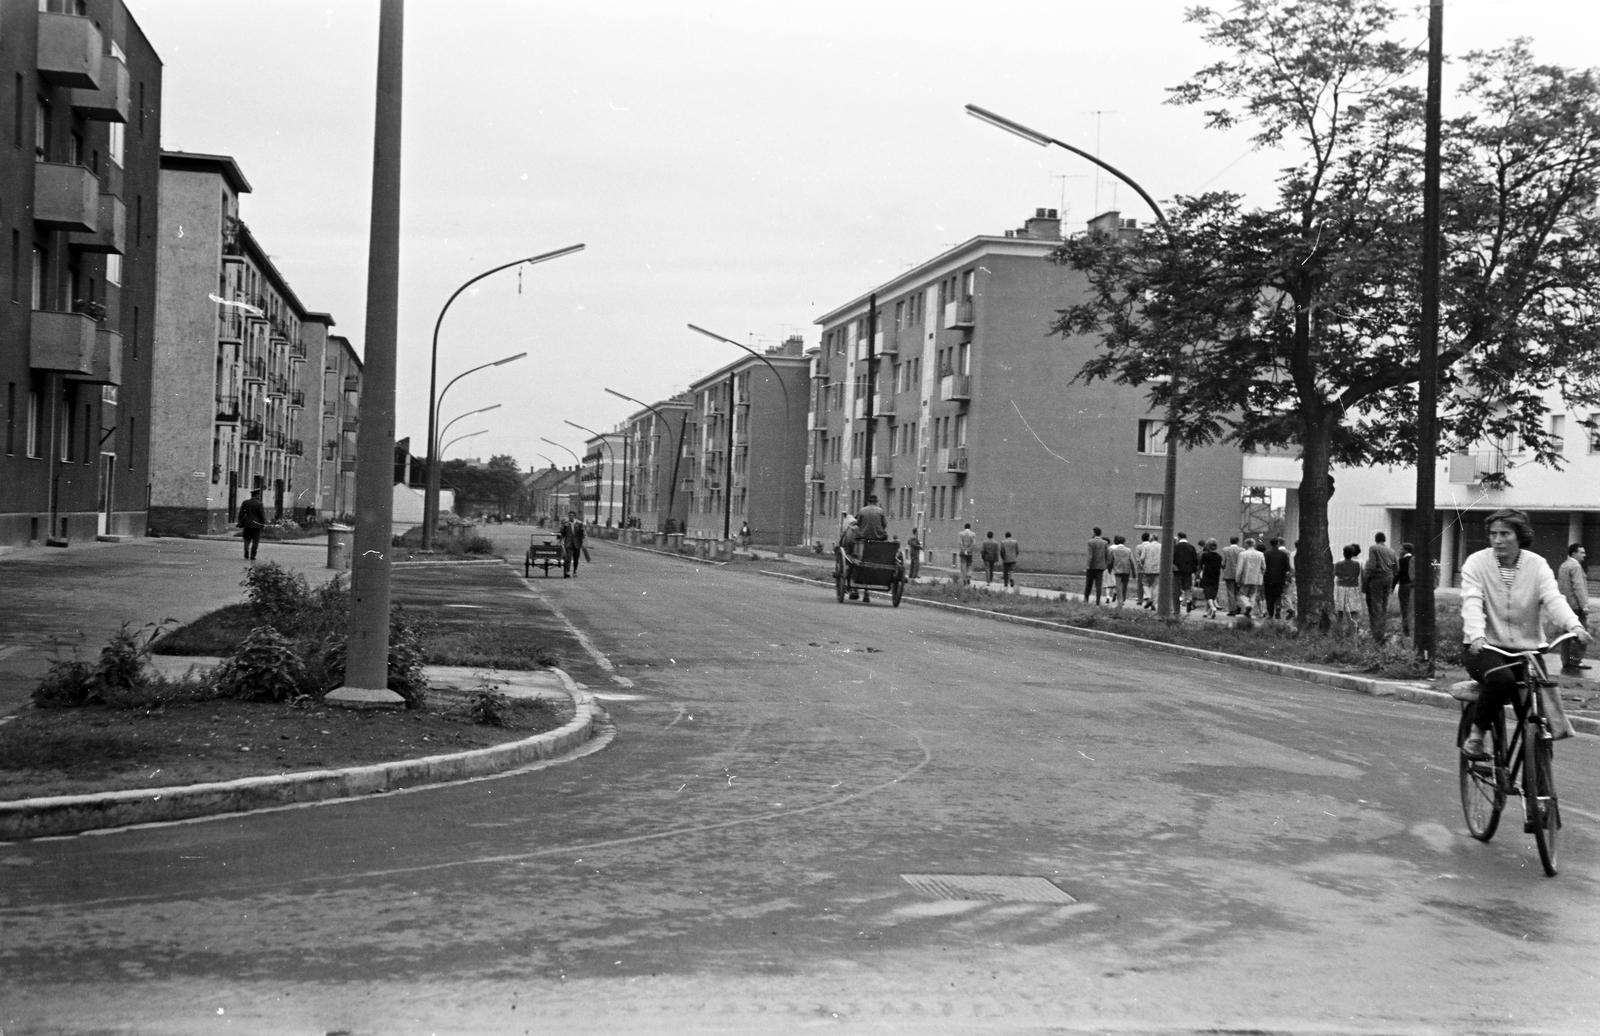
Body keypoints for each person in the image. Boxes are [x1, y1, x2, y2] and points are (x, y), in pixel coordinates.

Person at [1460, 509, 1592, 759]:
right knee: (1502, 681)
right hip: (1485, 648)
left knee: (1539, 702)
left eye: (1505, 534)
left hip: (1527, 649)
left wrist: (1574, 626)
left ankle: (1539, 764)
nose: (1497, 540)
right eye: (1493, 534)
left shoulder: (1537, 564)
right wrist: (1476, 634)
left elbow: (1553, 599)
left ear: (1520, 536)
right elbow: (1472, 602)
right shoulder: (1477, 563)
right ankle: (1477, 735)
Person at [1360, 531, 1399, 643]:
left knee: (1376, 604)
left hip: (1377, 578)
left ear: (1376, 539)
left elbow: (1372, 565)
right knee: (1384, 604)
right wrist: (1391, 574)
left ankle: (1376, 633)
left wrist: (1367, 578)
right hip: (1389, 578)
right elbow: (1396, 567)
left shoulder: (1374, 548)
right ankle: (1382, 629)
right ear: (1384, 539)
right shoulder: (1392, 551)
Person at [1557, 543, 1590, 675]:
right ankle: (1576, 661)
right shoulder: (1576, 566)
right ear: (1574, 553)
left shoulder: (1564, 565)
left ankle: (1566, 661)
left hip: (1566, 606)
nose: (1584, 555)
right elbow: (1578, 587)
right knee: (1581, 634)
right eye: (1581, 552)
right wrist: (1584, 605)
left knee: (1566, 635)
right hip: (1576, 606)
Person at [1333, 544, 1362, 630]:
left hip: (1341, 588)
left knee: (1340, 610)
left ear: (1344, 553)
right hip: (1352, 588)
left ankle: (1338, 628)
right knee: (1353, 610)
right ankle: (1355, 627)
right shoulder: (1356, 564)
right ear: (1352, 554)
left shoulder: (1338, 564)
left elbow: (1336, 574)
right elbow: (1357, 574)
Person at [1236, 537, 1266, 619]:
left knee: (1242, 594)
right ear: (1254, 544)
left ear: (1246, 544)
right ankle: (1249, 611)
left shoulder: (1242, 554)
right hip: (1256, 578)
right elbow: (1264, 567)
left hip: (1245, 578)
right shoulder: (1260, 554)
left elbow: (1239, 568)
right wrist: (1261, 575)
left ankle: (1247, 605)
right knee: (1253, 595)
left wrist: (1237, 579)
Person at [1263, 537, 1292, 619]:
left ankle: (1270, 613)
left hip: (1268, 579)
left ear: (1270, 544)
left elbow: (1264, 567)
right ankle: (1278, 609)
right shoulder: (1283, 555)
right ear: (1278, 544)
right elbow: (1288, 568)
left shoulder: (1266, 554)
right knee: (1278, 595)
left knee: (1269, 596)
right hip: (1280, 579)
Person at [1172, 532, 1199, 613]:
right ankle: (1189, 600)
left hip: (1177, 571)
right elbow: (1195, 561)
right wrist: (1193, 570)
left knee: (1177, 590)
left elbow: (1172, 559)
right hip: (1188, 572)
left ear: (1179, 537)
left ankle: (1177, 609)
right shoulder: (1191, 547)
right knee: (1187, 587)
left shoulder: (1176, 547)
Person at [237, 488, 266, 561]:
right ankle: (253, 555)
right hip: (256, 525)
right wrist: (263, 524)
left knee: (247, 539)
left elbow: (241, 514)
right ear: (256, 495)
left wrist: (240, 522)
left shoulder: (245, 502)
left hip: (247, 524)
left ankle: (246, 551)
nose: (259, 496)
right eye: (258, 495)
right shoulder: (259, 504)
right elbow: (262, 515)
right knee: (255, 541)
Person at [1198, 538, 1224, 618]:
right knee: (1212, 594)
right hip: (1216, 576)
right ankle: (1206, 612)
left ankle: (1212, 608)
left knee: (1207, 593)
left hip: (1207, 575)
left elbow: (1201, 565)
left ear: (1208, 546)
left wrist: (1200, 573)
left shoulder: (1205, 555)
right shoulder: (1219, 556)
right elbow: (1221, 566)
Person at [1108, 534, 1135, 609]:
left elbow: (1111, 561)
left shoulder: (1114, 550)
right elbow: (1132, 561)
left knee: (1118, 586)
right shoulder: (1128, 550)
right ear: (1124, 542)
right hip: (1126, 570)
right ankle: (1123, 600)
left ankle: (1120, 601)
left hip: (1117, 570)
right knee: (1124, 586)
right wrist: (1134, 572)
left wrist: (1109, 569)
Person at [1136, 533, 1162, 610]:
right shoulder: (1161, 546)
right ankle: (1154, 603)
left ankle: (1148, 597)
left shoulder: (1146, 546)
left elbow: (1142, 558)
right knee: (1156, 586)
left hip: (1148, 568)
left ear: (1151, 538)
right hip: (1158, 568)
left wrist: (1142, 564)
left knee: (1145, 584)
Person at [1085, 528, 1110, 604]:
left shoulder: (1090, 542)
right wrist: (1106, 565)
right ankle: (1097, 601)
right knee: (1098, 585)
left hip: (1092, 567)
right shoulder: (1105, 543)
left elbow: (1090, 555)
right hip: (1101, 567)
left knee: (1089, 584)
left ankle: (1086, 599)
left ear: (1094, 533)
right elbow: (1107, 555)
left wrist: (1088, 565)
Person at [1396, 541, 1416, 638]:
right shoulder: (1414, 560)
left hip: (1404, 585)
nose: (1399, 550)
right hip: (1412, 586)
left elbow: (1397, 574)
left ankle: (1406, 629)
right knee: (1411, 607)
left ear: (1406, 550)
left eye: (1401, 549)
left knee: (1404, 607)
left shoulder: (1401, 561)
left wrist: (1392, 586)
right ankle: (1411, 627)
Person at [560, 511, 587, 578]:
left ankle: (575, 571)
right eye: (569, 515)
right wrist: (563, 527)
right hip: (569, 544)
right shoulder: (566, 524)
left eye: (572, 515)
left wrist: (583, 541)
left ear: (574, 516)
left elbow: (583, 533)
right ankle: (567, 571)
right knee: (568, 558)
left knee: (576, 559)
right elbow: (562, 533)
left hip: (577, 544)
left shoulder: (579, 523)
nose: (570, 517)